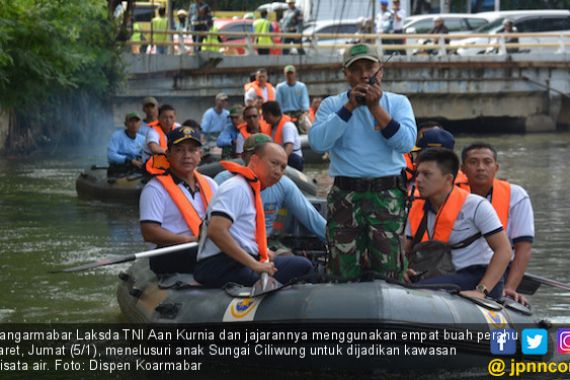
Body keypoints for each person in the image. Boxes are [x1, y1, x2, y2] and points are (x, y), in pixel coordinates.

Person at [309, 43, 417, 280]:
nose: (364, 74)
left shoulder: (398, 103)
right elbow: (318, 143)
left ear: (381, 70)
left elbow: (406, 143)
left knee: (390, 269)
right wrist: (349, 108)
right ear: (346, 74)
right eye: (356, 69)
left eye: (370, 67)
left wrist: (375, 108)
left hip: (386, 194)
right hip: (345, 195)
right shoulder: (331, 105)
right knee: (341, 268)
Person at [194, 141, 314, 287]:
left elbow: (241, 233)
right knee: (302, 268)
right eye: (274, 163)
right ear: (255, 160)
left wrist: (263, 251)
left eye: (283, 167)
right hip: (221, 266)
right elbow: (216, 230)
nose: (278, 171)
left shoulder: (250, 189)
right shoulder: (236, 188)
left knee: (302, 265)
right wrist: (254, 265)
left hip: (239, 261)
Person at [405, 148, 512, 300]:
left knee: (415, 291)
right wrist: (404, 269)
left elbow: (504, 250)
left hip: (476, 276)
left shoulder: (476, 205)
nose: (419, 180)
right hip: (439, 274)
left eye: (427, 174)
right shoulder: (415, 208)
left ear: (448, 179)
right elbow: (404, 249)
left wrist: (481, 291)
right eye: (418, 174)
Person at [214, 133, 326, 247]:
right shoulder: (225, 181)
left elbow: (312, 218)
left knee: (298, 262)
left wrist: (339, 242)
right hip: (233, 245)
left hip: (267, 244)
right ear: (245, 157)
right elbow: (212, 227)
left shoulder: (283, 184)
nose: (277, 171)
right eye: (256, 154)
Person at [459, 142, 534, 304]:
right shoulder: (451, 196)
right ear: (462, 168)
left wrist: (510, 288)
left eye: (487, 162)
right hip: (463, 267)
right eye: (473, 162)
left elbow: (524, 247)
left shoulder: (516, 195)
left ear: (496, 167)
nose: (480, 167)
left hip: (501, 268)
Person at [140, 126, 217, 274]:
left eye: (192, 150)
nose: (187, 155)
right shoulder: (155, 189)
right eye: (179, 150)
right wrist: (189, 240)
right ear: (168, 154)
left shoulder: (210, 184)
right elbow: (149, 232)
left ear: (200, 154)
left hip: (202, 246)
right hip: (169, 252)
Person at [261, 101, 303, 172]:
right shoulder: (273, 127)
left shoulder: (287, 126)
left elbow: (289, 146)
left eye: (264, 115)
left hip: (292, 159)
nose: (263, 119)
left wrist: (280, 163)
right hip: (279, 157)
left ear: (269, 114)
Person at [143, 104, 177, 175]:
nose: (168, 120)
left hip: (169, 160)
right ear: (158, 118)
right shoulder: (152, 131)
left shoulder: (178, 127)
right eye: (165, 117)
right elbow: (154, 148)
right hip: (152, 161)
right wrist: (174, 153)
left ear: (175, 118)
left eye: (171, 117)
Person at [107, 112, 145, 176]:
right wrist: (129, 160)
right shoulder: (117, 136)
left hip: (135, 169)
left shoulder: (142, 139)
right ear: (125, 124)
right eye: (131, 121)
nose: (134, 124)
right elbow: (110, 155)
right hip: (119, 169)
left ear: (140, 124)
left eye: (136, 121)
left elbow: (146, 155)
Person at [275, 65, 310, 133]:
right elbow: (278, 104)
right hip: (285, 114)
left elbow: (305, 102)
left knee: (308, 128)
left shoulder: (301, 86)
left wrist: (304, 113)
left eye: (291, 73)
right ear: (285, 75)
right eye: (288, 73)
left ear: (295, 74)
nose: (290, 76)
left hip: (299, 114)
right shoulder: (280, 87)